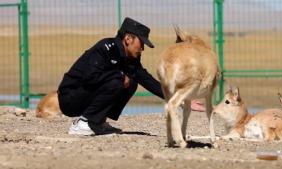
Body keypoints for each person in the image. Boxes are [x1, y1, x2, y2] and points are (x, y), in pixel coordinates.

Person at [57, 17, 205, 136]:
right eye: (141, 43)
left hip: (85, 95)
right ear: (128, 38)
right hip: (70, 98)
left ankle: (98, 122)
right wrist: (120, 76)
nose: (142, 49)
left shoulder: (131, 58)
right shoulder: (105, 48)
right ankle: (84, 123)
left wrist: (179, 98)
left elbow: (147, 80)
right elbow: (89, 77)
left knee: (132, 81)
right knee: (119, 81)